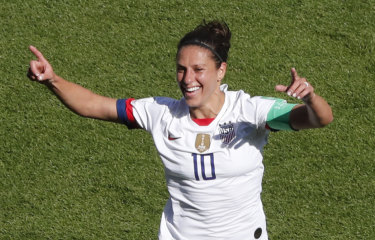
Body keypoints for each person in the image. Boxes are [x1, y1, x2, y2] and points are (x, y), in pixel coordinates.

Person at [27, 20, 333, 240]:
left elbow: (319, 118)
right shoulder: (161, 113)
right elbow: (95, 105)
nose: (188, 79)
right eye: (181, 68)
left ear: (220, 70)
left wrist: (310, 98)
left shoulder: (248, 110)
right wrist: (52, 80)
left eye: (199, 70)